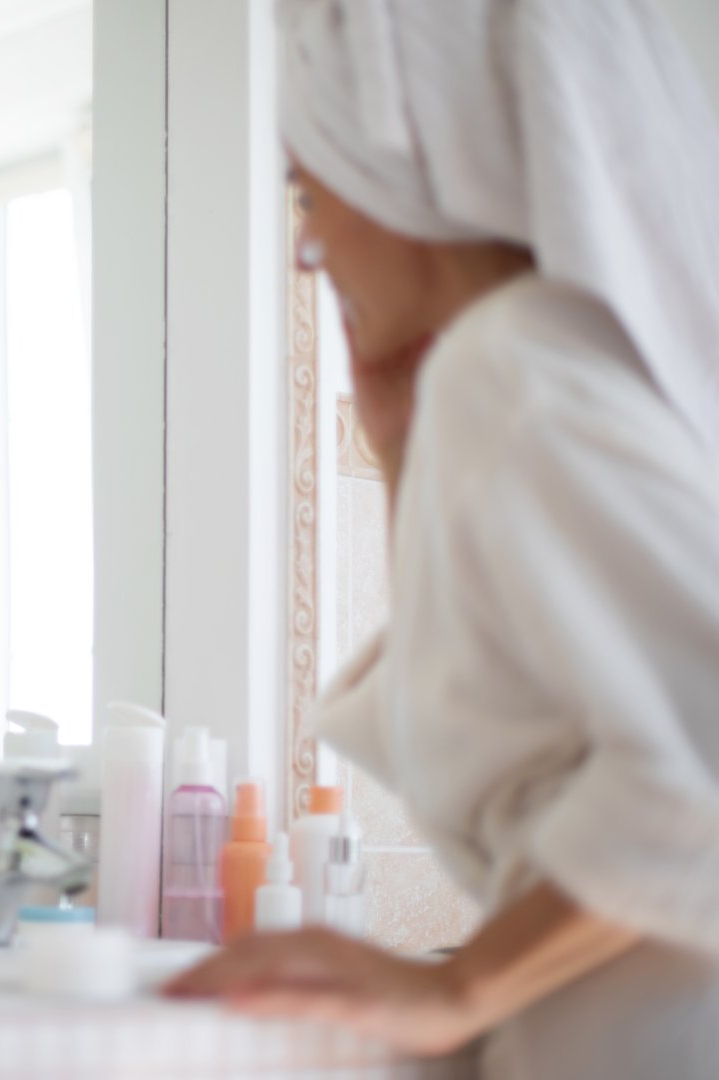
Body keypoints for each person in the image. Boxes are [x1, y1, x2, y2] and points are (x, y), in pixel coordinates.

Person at [164, 2, 719, 1075]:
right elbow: (469, 707)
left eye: (306, 190)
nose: (308, 246)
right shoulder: (563, 371)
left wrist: (454, 988)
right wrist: (395, 445)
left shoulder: (511, 370)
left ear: (407, 158)